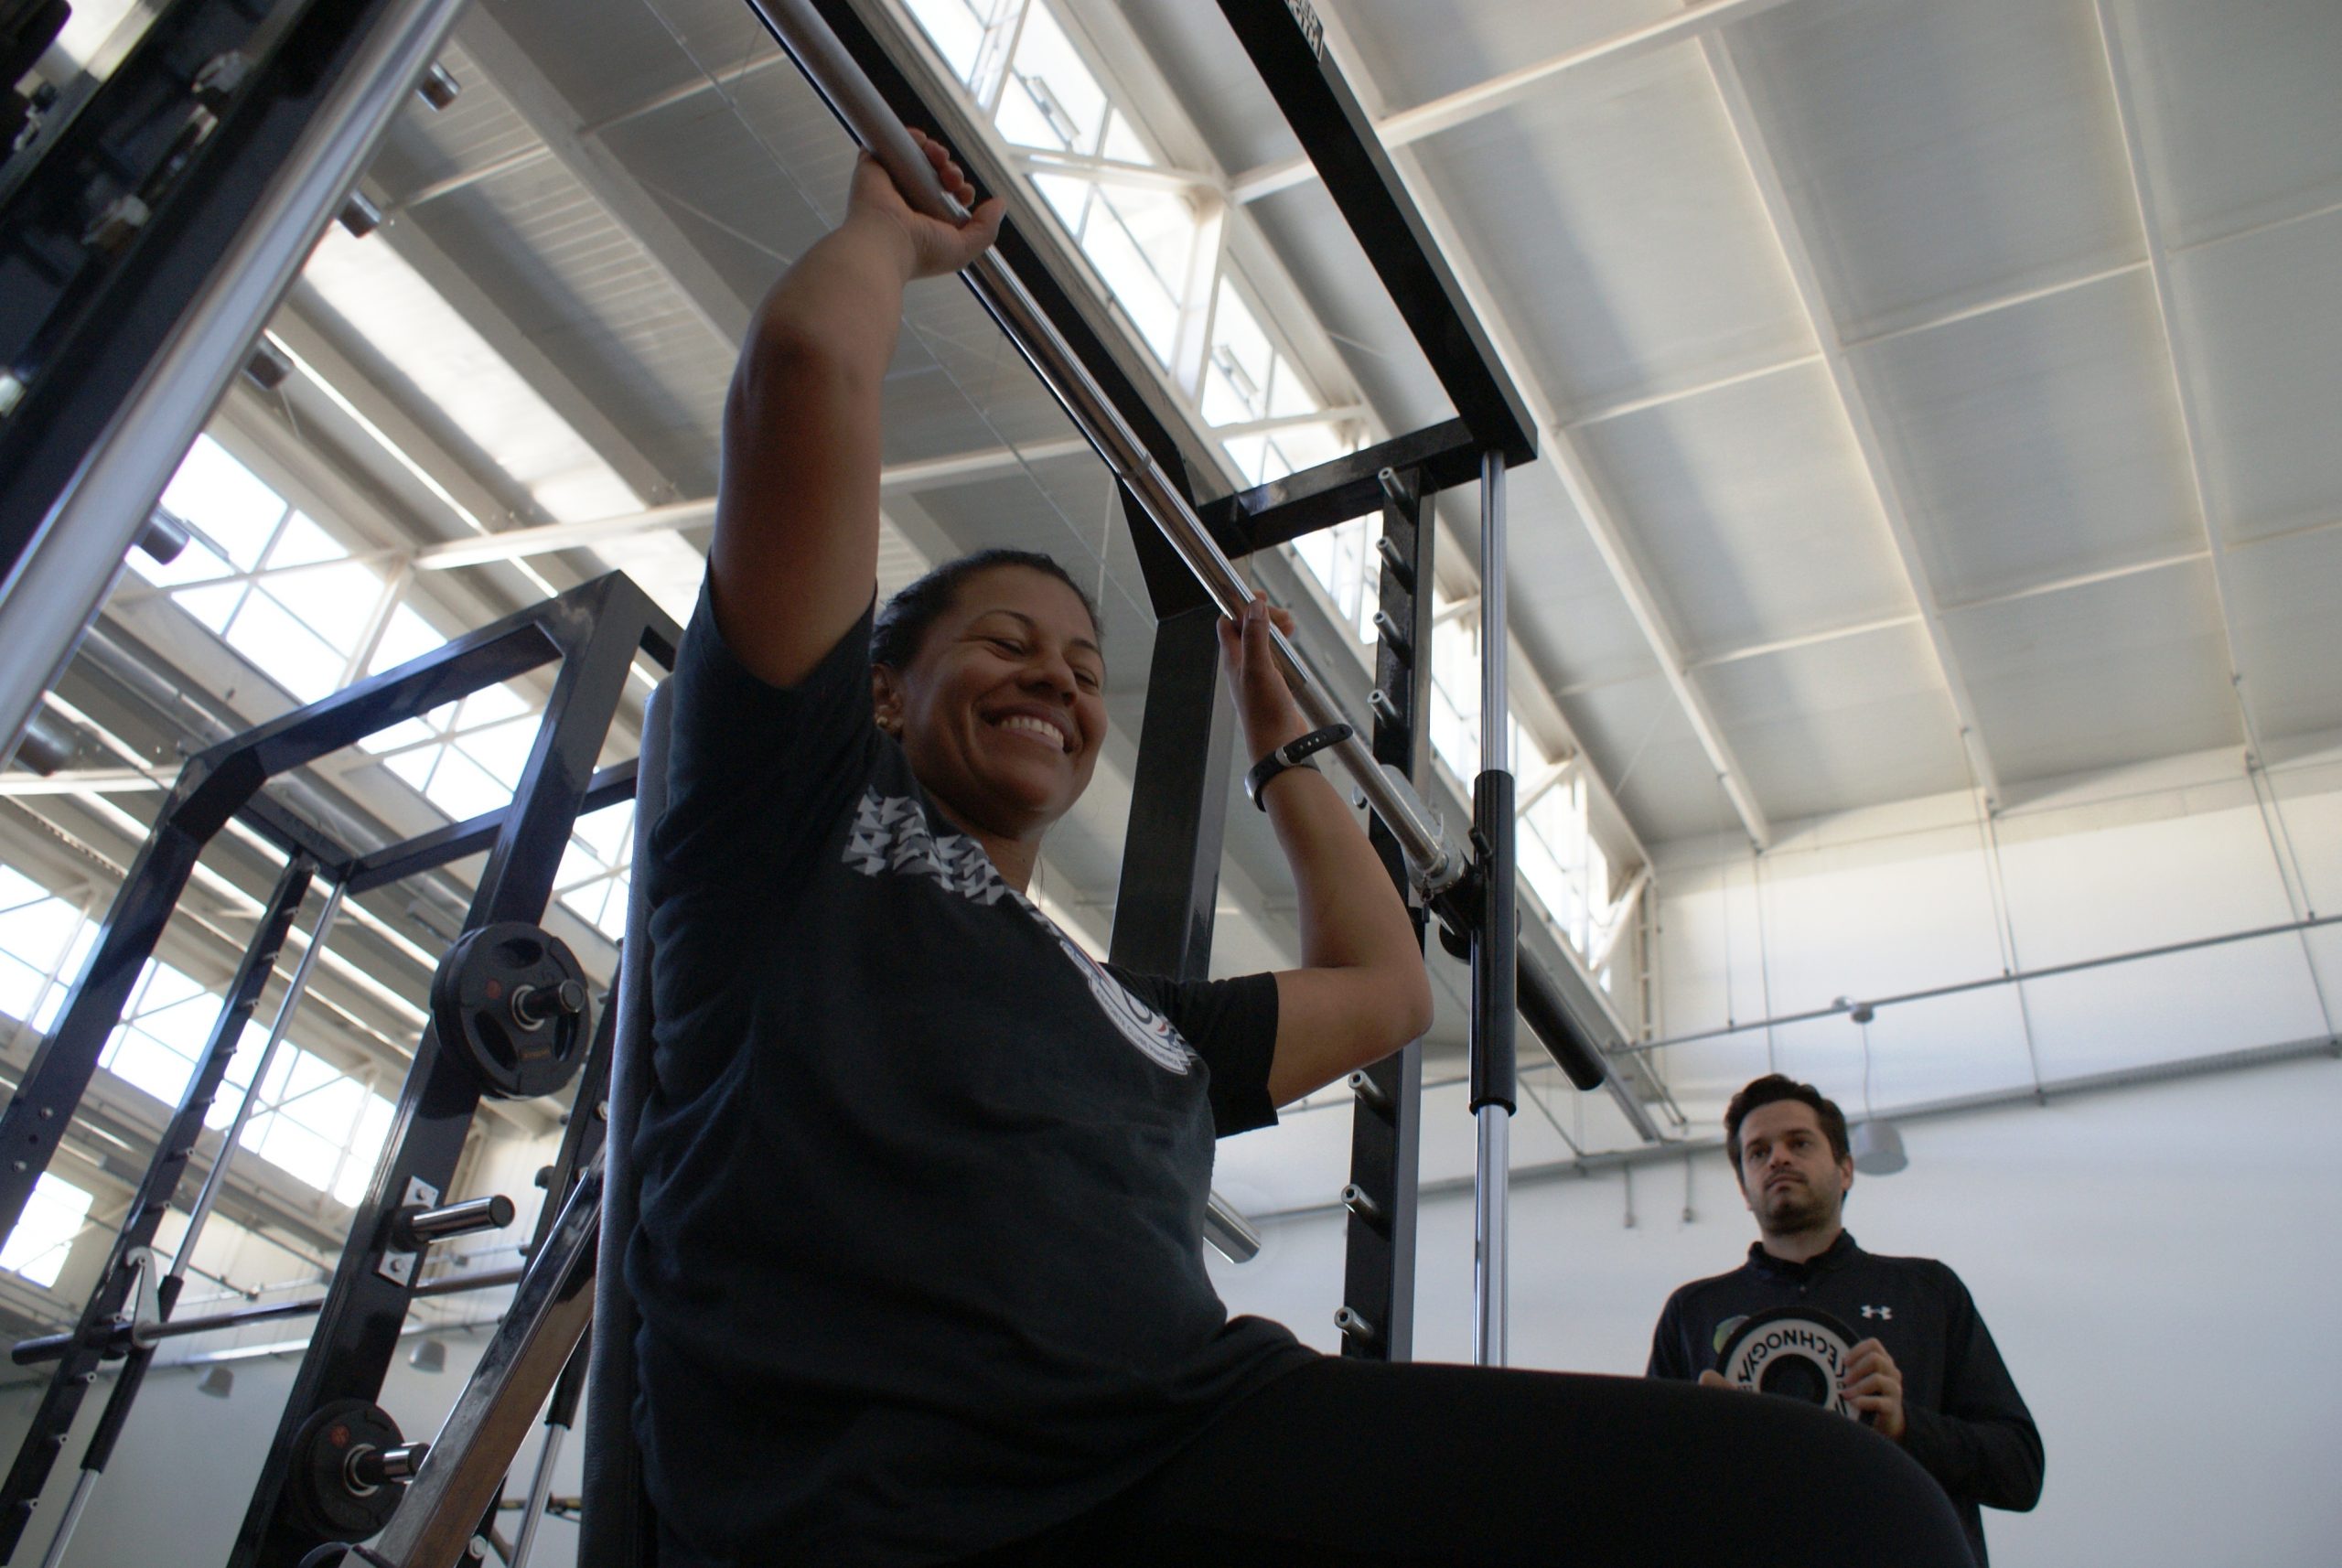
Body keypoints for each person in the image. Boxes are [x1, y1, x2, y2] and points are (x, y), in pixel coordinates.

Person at [629, 130, 1981, 1568]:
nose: (1063, 683)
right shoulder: (797, 825)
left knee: (1850, 1510)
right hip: (896, 1495)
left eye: (1089, 669)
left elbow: (1389, 989)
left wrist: (1284, 745)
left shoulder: (1135, 1018)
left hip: (1191, 1437)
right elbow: (805, 383)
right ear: (884, 691)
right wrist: (888, 243)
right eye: (1008, 644)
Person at [1649, 1074, 2046, 1564]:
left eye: (1798, 1143)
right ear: (1745, 1191)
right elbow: (1649, 1493)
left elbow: (2020, 1471)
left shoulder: (1928, 1292)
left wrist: (1906, 1427)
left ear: (1846, 1170)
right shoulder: (1692, 1311)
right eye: (1758, 1151)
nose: (1777, 1158)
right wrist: (1703, 1444)